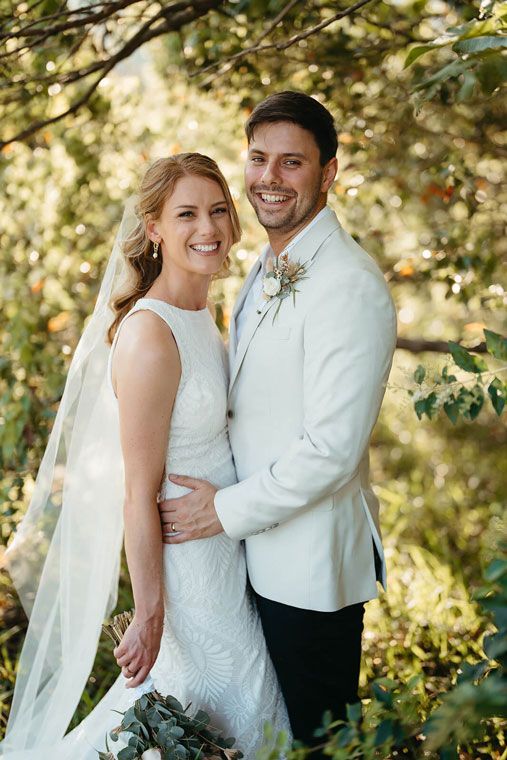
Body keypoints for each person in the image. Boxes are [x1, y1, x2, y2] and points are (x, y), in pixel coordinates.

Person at [0, 153, 289, 759]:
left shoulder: (202, 316)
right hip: (187, 576)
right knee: (225, 714)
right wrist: (150, 612)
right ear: (154, 227)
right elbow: (137, 490)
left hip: (228, 553)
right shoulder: (151, 333)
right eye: (186, 214)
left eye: (217, 211)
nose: (207, 228)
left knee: (239, 720)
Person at [158, 92, 398, 753]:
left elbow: (331, 451)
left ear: (328, 173)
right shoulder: (267, 265)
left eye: (291, 163)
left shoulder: (346, 283)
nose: (269, 177)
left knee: (315, 742)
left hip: (308, 567)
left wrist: (223, 511)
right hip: (254, 556)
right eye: (259, 158)